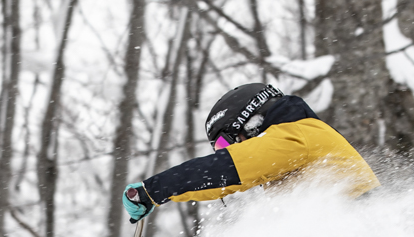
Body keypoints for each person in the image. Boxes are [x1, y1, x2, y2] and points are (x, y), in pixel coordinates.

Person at [121, 83, 379, 220]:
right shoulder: (294, 143)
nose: (230, 151)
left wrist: (154, 190)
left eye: (225, 144)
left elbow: (227, 169)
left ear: (249, 123)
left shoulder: (295, 135)